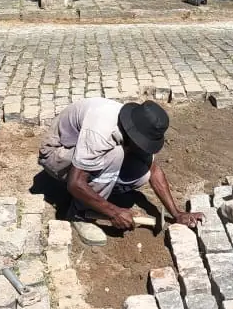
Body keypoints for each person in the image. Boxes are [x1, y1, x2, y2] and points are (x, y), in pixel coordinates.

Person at [39, 98, 201, 230]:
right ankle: (79, 213)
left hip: (84, 155)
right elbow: (75, 183)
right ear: (133, 133)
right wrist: (114, 212)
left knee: (142, 174)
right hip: (57, 153)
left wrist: (176, 213)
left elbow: (155, 172)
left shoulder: (137, 124)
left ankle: (97, 192)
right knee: (116, 154)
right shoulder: (101, 130)